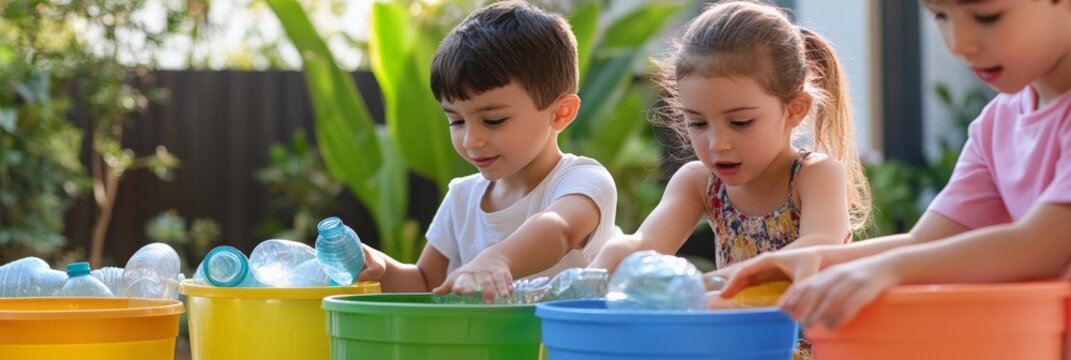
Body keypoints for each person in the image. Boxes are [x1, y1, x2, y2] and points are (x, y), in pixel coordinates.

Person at [721, 0, 1071, 331]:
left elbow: (1041, 245)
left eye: (986, 16)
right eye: (940, 16)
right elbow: (926, 240)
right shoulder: (997, 123)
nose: (960, 43)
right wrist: (814, 260)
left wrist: (887, 270)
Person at [356, 0, 618, 303]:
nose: (471, 140)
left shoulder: (583, 182)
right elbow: (426, 283)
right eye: (456, 120)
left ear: (560, 113)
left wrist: (498, 259)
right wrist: (382, 268)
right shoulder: (462, 198)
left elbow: (558, 230)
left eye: (493, 120)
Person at [590, 0, 870, 279]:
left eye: (740, 122)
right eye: (697, 123)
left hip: (806, 323)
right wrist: (596, 272)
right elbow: (645, 244)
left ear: (794, 110)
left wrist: (709, 284)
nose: (717, 143)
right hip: (736, 322)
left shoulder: (814, 176)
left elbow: (818, 249)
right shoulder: (700, 183)